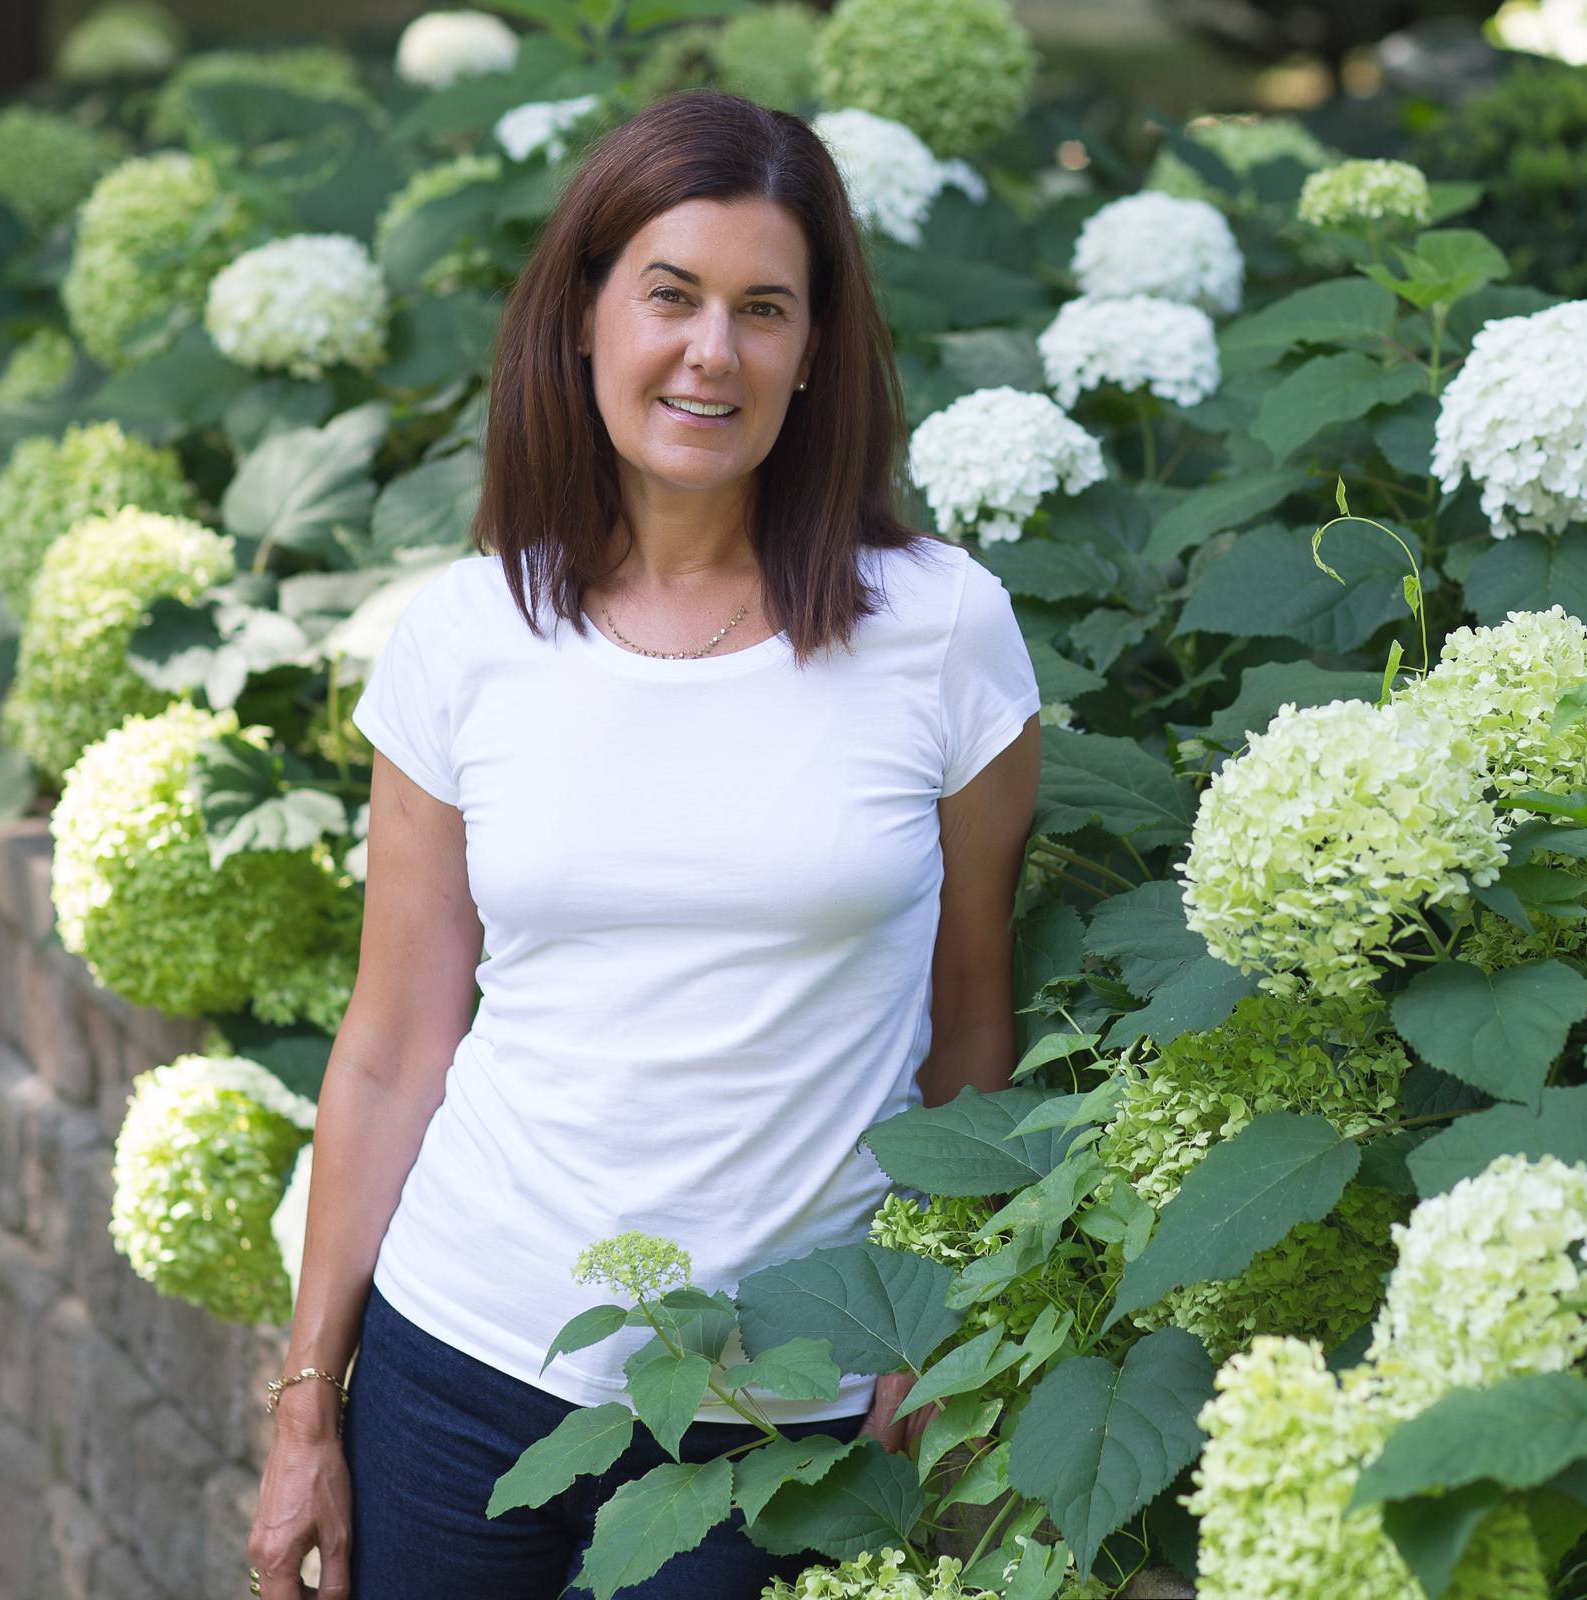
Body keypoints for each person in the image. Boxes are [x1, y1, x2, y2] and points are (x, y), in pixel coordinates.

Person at [244, 91, 1043, 1599]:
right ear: (586, 318)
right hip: (458, 1370)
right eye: (669, 296)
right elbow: (396, 1043)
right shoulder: (468, 636)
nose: (711, 351)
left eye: (763, 308)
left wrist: (932, 1316)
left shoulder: (943, 632)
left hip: (779, 1418)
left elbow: (971, 1019)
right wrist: (307, 1405)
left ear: (814, 353)